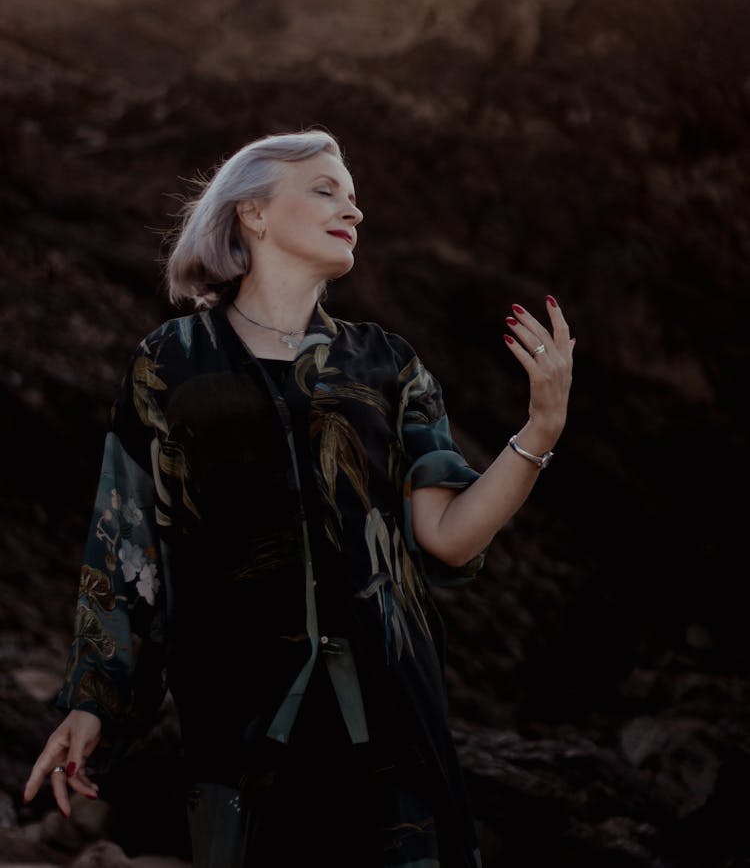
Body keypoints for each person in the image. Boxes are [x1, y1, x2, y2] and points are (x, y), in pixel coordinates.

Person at [23, 129, 574, 866]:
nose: (354, 208)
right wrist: (94, 700)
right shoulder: (169, 363)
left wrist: (542, 426)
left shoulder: (388, 364)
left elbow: (446, 534)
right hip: (239, 732)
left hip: (391, 725)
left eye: (352, 194)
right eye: (325, 188)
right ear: (251, 212)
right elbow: (127, 547)